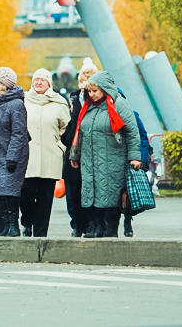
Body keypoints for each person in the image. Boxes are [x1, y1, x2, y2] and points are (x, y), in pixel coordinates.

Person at [70, 71, 141, 238]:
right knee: (92, 195)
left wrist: (135, 157)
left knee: (110, 195)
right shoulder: (88, 106)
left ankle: (111, 229)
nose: (92, 95)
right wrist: (74, 155)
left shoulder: (118, 104)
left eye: (95, 91)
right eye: (90, 91)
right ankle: (98, 228)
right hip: (89, 160)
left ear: (105, 89)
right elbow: (79, 132)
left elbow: (132, 131)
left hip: (112, 160)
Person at [21, 68, 70, 237]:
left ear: (49, 83)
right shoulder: (23, 100)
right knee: (25, 192)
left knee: (45, 197)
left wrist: (60, 147)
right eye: (36, 79)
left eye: (43, 80)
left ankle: (40, 233)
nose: (39, 82)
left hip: (50, 155)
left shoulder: (60, 102)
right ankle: (27, 222)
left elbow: (67, 128)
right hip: (27, 156)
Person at [0, 66, 29, 237]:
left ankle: (13, 226)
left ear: (4, 84)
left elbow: (19, 133)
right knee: (0, 191)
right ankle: (6, 226)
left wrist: (12, 157)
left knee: (10, 191)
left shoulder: (16, 104)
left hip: (10, 155)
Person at [62, 58, 97, 237]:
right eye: (83, 79)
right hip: (74, 151)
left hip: (92, 153)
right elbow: (71, 123)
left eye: (89, 79)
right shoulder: (75, 99)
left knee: (90, 190)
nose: (85, 83)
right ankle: (77, 224)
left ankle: (91, 223)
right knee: (73, 192)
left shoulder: (102, 101)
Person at [121, 109, 152, 237]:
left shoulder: (131, 114)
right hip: (113, 160)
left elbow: (143, 137)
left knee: (129, 194)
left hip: (131, 160)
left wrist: (142, 159)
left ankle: (127, 219)